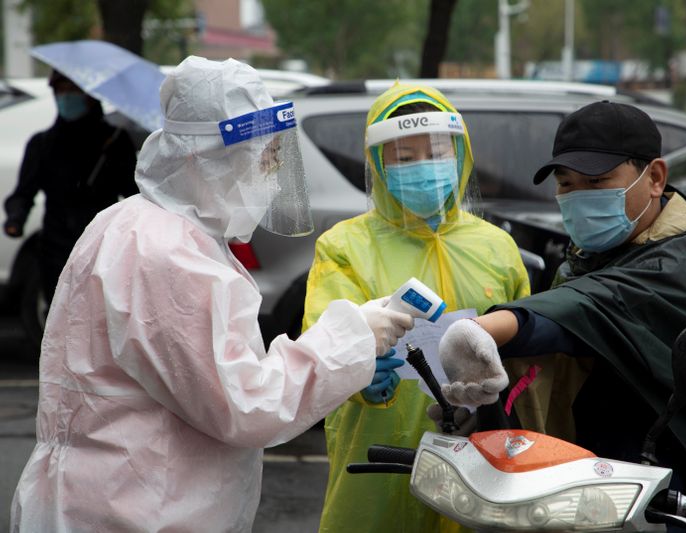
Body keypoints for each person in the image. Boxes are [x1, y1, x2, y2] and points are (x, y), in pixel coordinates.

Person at [10, 56, 415, 533]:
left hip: (110, 497)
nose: (270, 173)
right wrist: (353, 337)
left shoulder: (134, 224)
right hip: (136, 511)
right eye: (262, 158)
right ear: (203, 157)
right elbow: (246, 404)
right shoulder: (166, 254)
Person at [436, 100, 686, 530]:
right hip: (600, 496)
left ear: (654, 178)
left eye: (597, 181)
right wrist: (487, 411)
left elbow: (586, 310)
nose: (578, 197)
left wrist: (483, 328)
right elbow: (560, 363)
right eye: (567, 184)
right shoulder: (587, 259)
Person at [303, 82, 530, 532]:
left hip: (481, 453)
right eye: (404, 159)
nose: (424, 168)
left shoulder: (495, 246)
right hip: (378, 454)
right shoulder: (344, 246)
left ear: (460, 155)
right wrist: (358, 376)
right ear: (378, 166)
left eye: (437, 152)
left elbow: (528, 348)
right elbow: (320, 343)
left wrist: (503, 389)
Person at [3, 69, 139, 304]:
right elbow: (23, 193)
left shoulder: (114, 141)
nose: (66, 97)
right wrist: (16, 219)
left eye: (73, 90)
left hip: (101, 244)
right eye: (61, 90)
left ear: (89, 95)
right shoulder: (42, 144)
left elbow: (132, 193)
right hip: (55, 246)